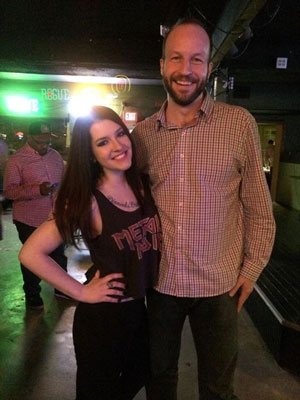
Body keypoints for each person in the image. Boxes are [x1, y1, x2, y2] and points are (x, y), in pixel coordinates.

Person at [132, 18, 276, 400]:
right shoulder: (142, 136)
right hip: (161, 283)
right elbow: (121, 203)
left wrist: (253, 268)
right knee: (159, 380)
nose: (186, 70)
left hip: (220, 287)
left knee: (217, 388)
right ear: (162, 65)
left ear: (209, 68)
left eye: (197, 59)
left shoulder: (238, 124)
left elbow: (260, 209)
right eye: (176, 58)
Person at [19, 106, 161, 400]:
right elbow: (31, 253)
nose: (118, 145)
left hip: (139, 309)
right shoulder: (87, 200)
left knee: (142, 373)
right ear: (91, 154)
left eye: (120, 134)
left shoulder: (142, 185)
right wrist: (80, 293)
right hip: (103, 318)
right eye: (103, 142)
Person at [4, 121, 68, 309]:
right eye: (40, 142)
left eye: (47, 141)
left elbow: (63, 183)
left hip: (54, 217)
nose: (44, 146)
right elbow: (9, 192)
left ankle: (61, 288)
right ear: (29, 138)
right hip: (29, 219)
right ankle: (32, 294)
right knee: (32, 258)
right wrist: (37, 190)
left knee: (59, 255)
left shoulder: (55, 157)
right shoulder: (17, 160)